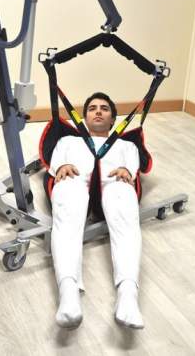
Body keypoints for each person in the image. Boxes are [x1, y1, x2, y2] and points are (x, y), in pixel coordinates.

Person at [48, 92, 144, 330]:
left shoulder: (126, 145)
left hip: (113, 182)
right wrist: (62, 166)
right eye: (92, 109)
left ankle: (128, 294)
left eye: (104, 108)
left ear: (113, 120)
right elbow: (55, 163)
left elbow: (132, 167)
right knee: (68, 203)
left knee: (124, 205)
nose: (98, 111)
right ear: (83, 119)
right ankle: (68, 291)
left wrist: (126, 171)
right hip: (75, 178)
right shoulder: (68, 141)